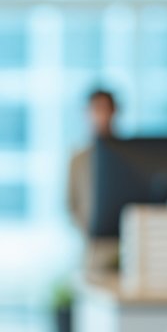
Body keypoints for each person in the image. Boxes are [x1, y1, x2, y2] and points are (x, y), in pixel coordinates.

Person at [67, 88, 117, 235]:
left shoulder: (129, 155)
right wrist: (89, 229)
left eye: (104, 109)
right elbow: (71, 204)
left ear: (113, 112)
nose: (100, 116)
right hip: (92, 240)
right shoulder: (78, 159)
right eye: (96, 109)